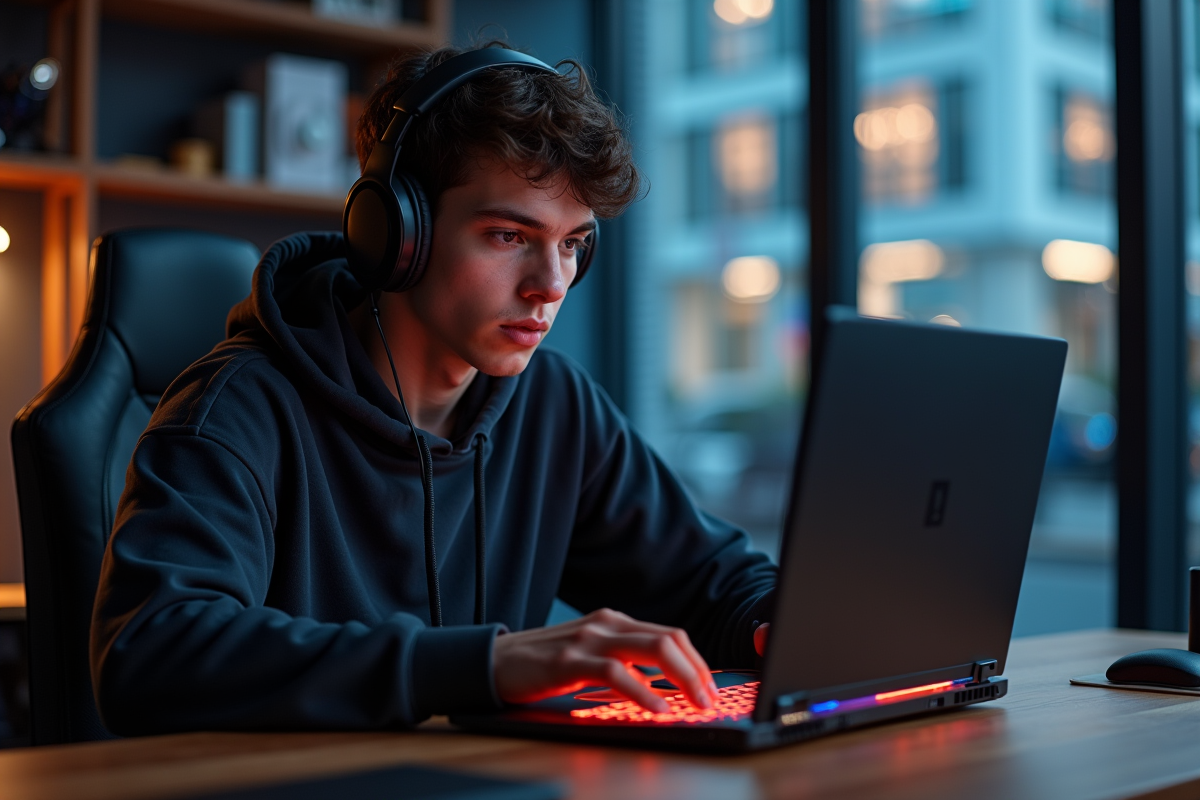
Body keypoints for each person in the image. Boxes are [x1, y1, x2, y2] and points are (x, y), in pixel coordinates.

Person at [90, 42, 777, 734]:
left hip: (473, 775)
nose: (551, 284)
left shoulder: (554, 405)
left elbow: (711, 579)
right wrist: (485, 666)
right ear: (396, 233)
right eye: (508, 235)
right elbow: (153, 652)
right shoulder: (237, 408)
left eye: (573, 243)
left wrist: (771, 622)